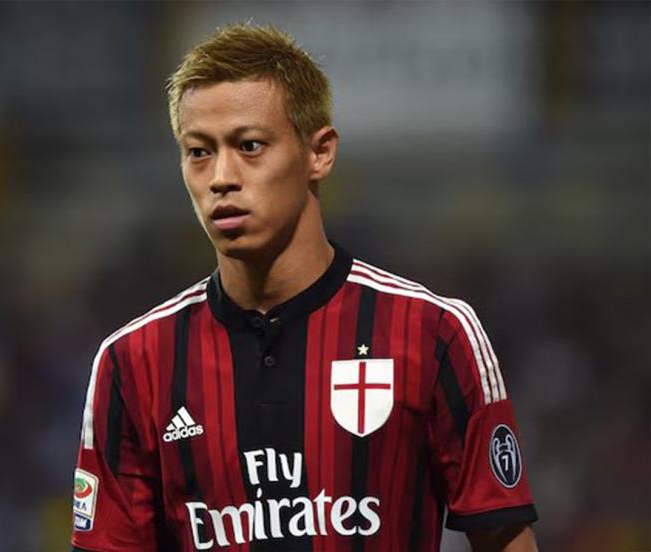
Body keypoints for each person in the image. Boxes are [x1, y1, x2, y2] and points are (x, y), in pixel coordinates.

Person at [71, 23, 538, 552]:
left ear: (320, 153)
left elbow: (505, 539)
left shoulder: (434, 333)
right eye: (199, 152)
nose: (221, 177)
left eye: (249, 146)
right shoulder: (134, 362)